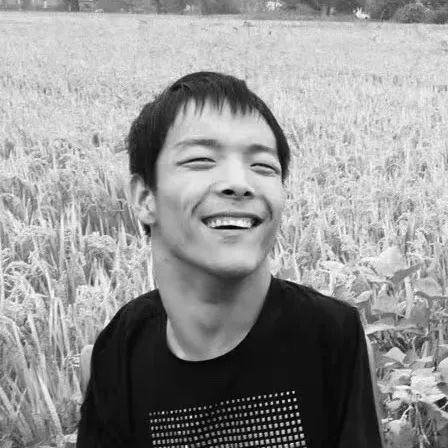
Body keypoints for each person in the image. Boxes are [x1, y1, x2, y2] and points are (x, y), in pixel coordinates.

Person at [77, 71, 384, 448]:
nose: (239, 183)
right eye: (201, 160)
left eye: (263, 166)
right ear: (144, 198)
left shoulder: (331, 337)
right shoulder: (120, 351)